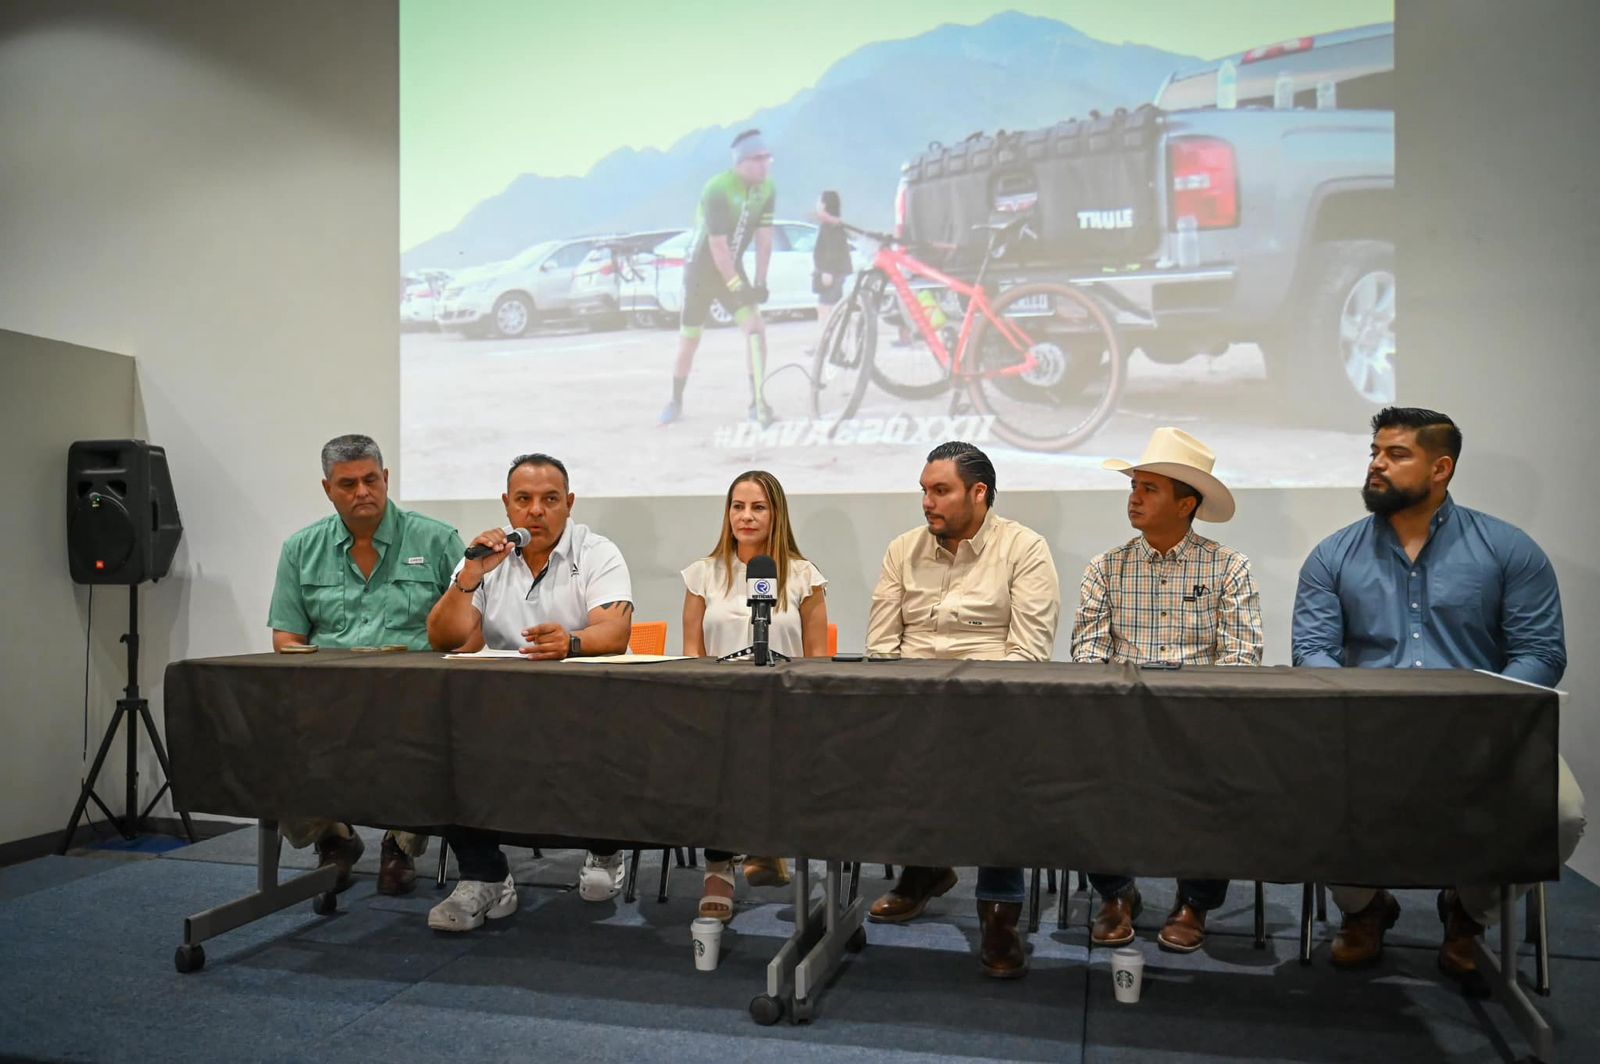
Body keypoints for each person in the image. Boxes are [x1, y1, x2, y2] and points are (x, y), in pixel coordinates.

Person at [1292, 407, 1586, 985]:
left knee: (1563, 814)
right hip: (1368, 735)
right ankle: (1366, 908)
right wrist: (1357, 715)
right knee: (1298, 791)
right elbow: (1313, 655)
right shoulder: (1333, 555)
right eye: (1375, 451)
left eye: (1397, 454)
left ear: (1441, 468)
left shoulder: (1508, 549)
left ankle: (1467, 914)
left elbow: (1541, 653)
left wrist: (1483, 717)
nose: (1377, 463)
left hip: (1482, 737)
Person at [865, 442, 1060, 978]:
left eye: (940, 491)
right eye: (925, 491)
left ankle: (999, 910)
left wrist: (966, 705)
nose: (928, 503)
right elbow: (882, 647)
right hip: (913, 704)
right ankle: (923, 868)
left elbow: (1027, 654)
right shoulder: (903, 549)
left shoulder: (1024, 549)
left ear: (979, 493)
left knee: (999, 768)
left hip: (991, 709)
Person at [1070, 427, 1263, 953]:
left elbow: (1241, 658)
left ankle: (1194, 903)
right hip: (1121, 714)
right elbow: (1088, 654)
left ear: (1186, 504)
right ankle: (1114, 894)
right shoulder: (1106, 567)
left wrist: (1195, 711)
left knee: (1218, 772)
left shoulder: (1229, 567)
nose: (1134, 496)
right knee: (1083, 771)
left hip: (1200, 718)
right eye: (1133, 485)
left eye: (1149, 488)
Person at [424, 453, 636, 932]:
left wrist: (572, 642)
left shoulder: (597, 551)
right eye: (524, 500)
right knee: (443, 742)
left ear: (569, 504)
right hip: (500, 709)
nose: (536, 511)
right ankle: (484, 875)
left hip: (583, 708)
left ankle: (603, 845)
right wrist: (470, 575)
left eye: (549, 500)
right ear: (507, 505)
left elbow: (616, 631)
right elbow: (444, 638)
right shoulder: (483, 557)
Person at [267, 433, 464, 896]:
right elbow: (286, 637)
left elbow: (473, 627)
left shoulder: (437, 540)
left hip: (416, 695)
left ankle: (399, 842)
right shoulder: (301, 549)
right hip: (330, 696)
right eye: (348, 484)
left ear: (387, 478)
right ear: (327, 489)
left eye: (371, 480)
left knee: (428, 733)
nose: (362, 493)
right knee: (271, 738)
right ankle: (334, 838)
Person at [682, 470, 830, 922]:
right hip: (721, 708)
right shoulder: (702, 575)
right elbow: (693, 653)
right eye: (738, 506)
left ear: (776, 514)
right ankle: (720, 870)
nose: (746, 516)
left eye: (758, 507)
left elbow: (819, 657)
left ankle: (770, 844)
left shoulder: (805, 576)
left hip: (783, 709)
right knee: (716, 754)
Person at [659, 128, 777, 428]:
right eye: (758, 159)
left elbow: (765, 239)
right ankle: (675, 401)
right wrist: (737, 286)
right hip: (700, 271)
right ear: (741, 162)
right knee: (690, 340)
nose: (766, 165)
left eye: (768, 158)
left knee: (755, 329)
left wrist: (760, 282)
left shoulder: (767, 189)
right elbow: (717, 246)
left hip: (731, 268)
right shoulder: (718, 188)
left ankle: (758, 402)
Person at [812, 190, 853, 343]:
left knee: (827, 310)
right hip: (831, 272)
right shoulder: (832, 224)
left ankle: (829, 345)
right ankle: (828, 344)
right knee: (826, 309)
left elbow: (832, 250)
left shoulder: (831, 226)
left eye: (819, 202)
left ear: (824, 205)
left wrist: (827, 271)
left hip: (831, 273)